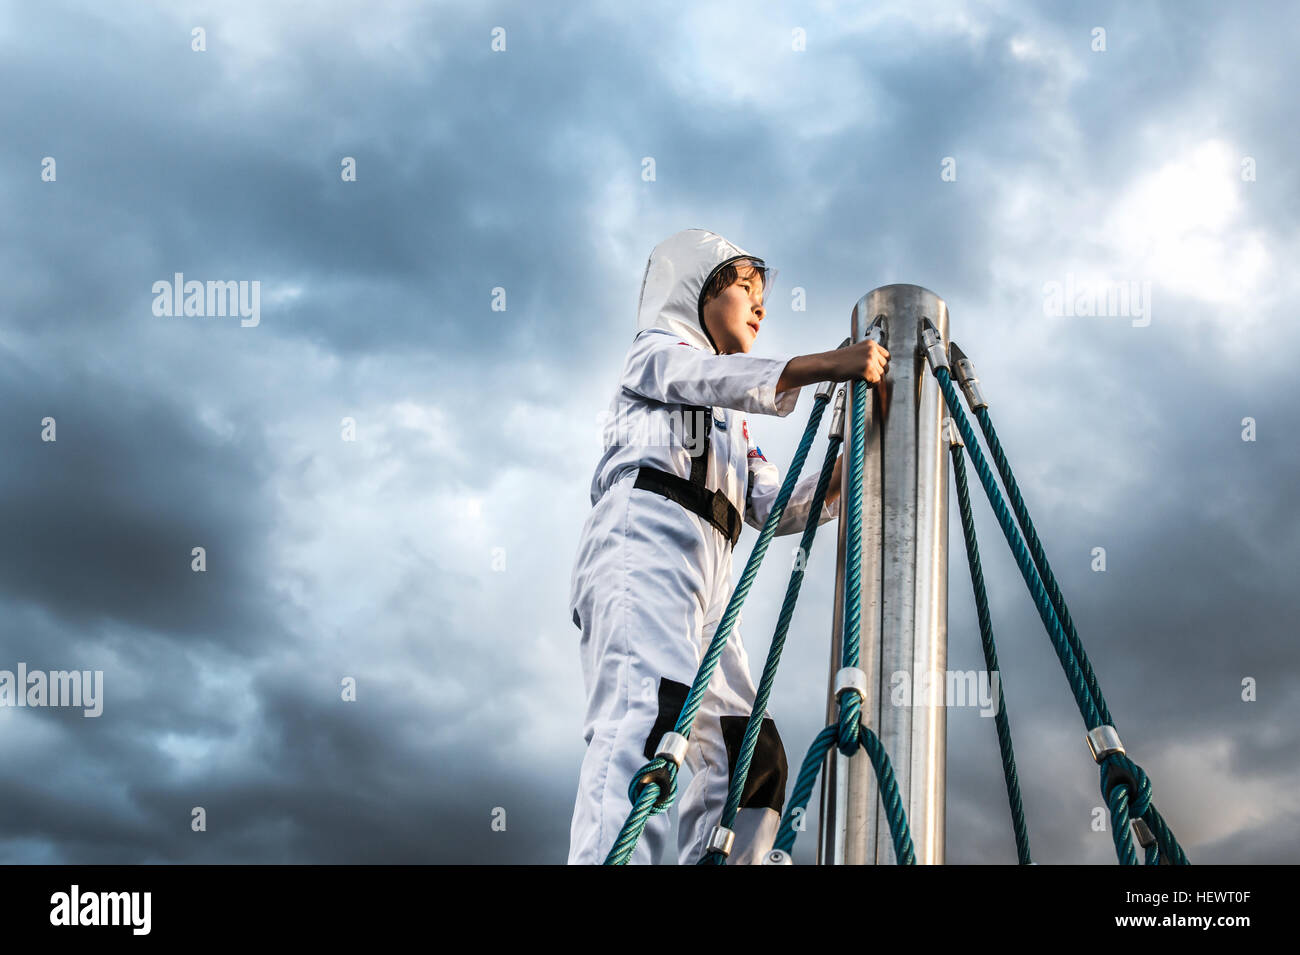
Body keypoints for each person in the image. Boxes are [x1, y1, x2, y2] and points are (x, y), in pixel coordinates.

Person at [566, 228, 889, 864]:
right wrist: (824, 365)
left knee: (751, 752)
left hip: (707, 565)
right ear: (694, 291)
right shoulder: (656, 354)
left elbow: (776, 503)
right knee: (649, 719)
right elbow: (711, 378)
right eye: (745, 287)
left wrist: (865, 455)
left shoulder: (733, 420)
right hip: (644, 541)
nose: (761, 305)